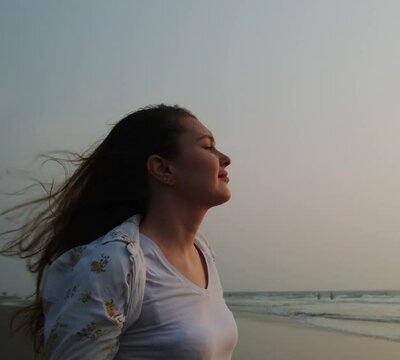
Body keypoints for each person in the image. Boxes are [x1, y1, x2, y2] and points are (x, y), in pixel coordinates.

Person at [0, 104, 238, 359]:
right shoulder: (114, 264)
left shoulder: (203, 253)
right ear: (163, 169)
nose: (224, 157)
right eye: (207, 146)